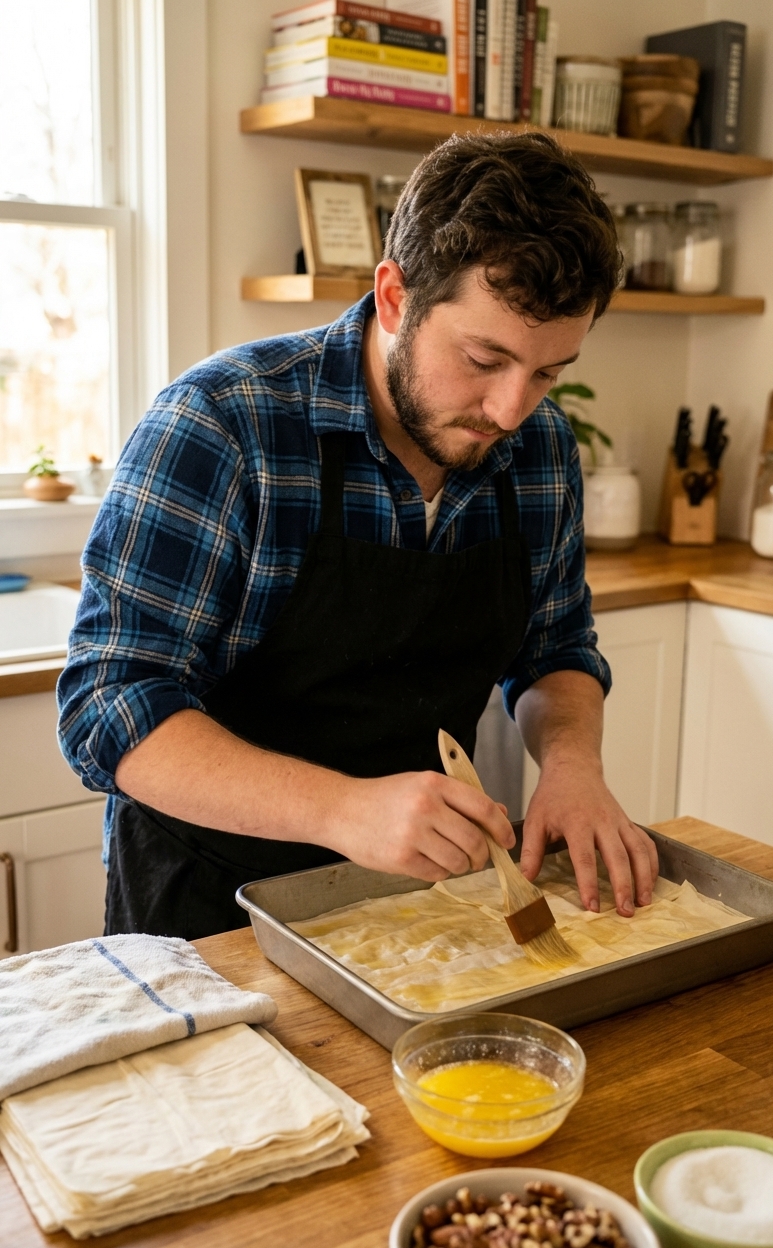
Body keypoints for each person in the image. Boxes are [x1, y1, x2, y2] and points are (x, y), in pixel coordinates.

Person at [58, 131, 658, 940]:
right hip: (207, 909)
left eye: (547, 372)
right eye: (484, 358)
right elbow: (108, 703)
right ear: (393, 297)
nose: (511, 410)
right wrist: (341, 807)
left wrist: (574, 765)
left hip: (418, 900)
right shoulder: (223, 424)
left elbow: (554, 647)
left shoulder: (539, 451)